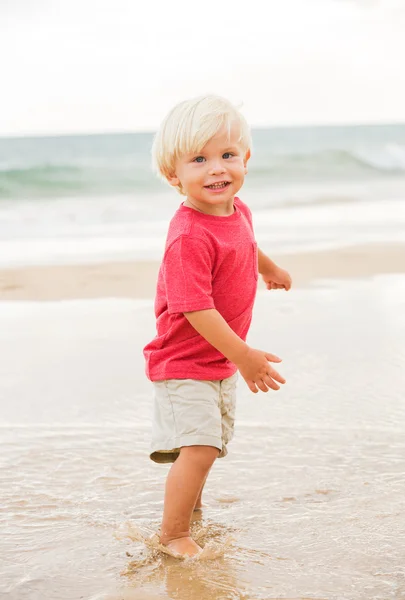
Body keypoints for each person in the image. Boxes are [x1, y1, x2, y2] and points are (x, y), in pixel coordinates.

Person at [143, 95, 292, 558]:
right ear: (175, 176)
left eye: (227, 155)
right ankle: (172, 535)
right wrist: (244, 355)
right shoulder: (188, 235)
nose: (216, 169)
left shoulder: (237, 209)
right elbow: (195, 309)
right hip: (185, 360)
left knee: (209, 446)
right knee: (202, 446)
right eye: (199, 160)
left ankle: (190, 515)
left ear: (245, 159)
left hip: (216, 359)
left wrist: (267, 267)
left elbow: (245, 242)